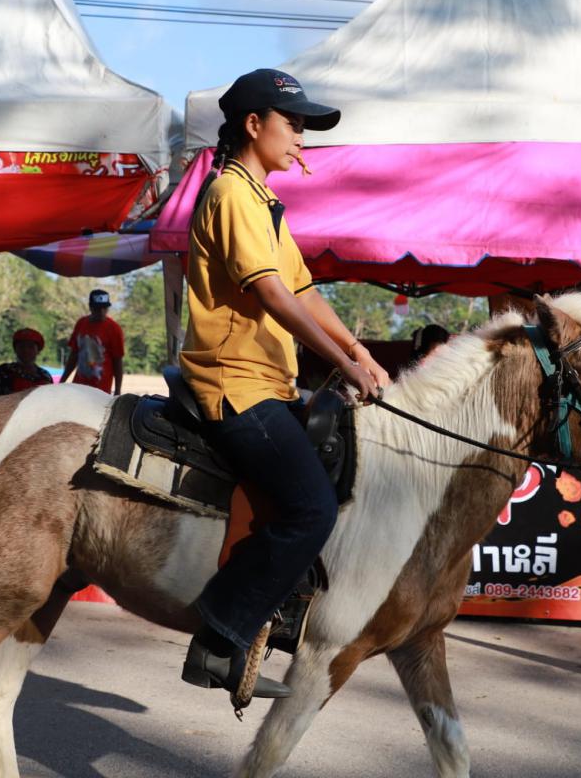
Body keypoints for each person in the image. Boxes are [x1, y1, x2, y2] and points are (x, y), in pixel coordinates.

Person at [178, 68, 391, 700]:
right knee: (311, 509)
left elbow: (303, 290)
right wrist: (344, 366)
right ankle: (219, 641)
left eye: (304, 127)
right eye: (293, 123)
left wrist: (359, 351)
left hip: (268, 383)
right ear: (254, 124)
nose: (301, 137)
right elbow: (272, 294)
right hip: (235, 384)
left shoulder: (262, 201)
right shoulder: (231, 194)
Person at [60, 289, 124, 395]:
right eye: (98, 309)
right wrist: (63, 380)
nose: (102, 312)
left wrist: (117, 390)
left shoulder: (114, 329)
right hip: (79, 385)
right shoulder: (81, 324)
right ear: (90, 307)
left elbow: (118, 361)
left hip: (101, 388)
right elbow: (74, 355)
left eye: (105, 308)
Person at [0, 328, 54, 398]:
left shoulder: (45, 376)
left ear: (38, 351)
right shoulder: (3, 371)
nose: (26, 350)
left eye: (31, 347)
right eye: (22, 346)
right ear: (15, 349)